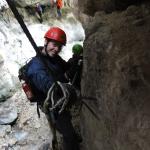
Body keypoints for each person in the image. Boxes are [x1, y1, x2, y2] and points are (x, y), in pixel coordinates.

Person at [26, 27, 80, 150]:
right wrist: (65, 77)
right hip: (51, 105)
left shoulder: (53, 57)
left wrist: (74, 62)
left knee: (66, 122)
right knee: (69, 135)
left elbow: (65, 66)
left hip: (59, 100)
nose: (57, 49)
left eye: (60, 47)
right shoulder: (36, 67)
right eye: (54, 45)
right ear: (46, 42)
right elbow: (50, 87)